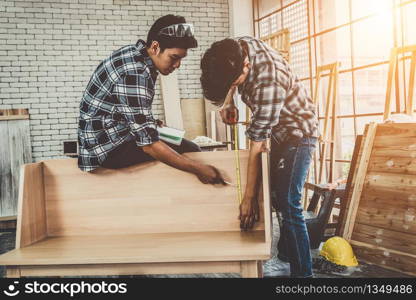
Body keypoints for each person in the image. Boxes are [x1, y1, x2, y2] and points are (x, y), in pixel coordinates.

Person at [200, 37, 318, 277]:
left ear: (246, 66)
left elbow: (257, 143)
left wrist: (249, 197)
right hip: (276, 130)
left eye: (235, 82)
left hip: (299, 133)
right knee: (274, 196)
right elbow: (229, 78)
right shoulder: (236, 47)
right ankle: (287, 253)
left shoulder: (269, 81)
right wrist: (229, 101)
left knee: (289, 202)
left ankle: (304, 275)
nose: (234, 84)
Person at [78, 14, 226, 186]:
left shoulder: (135, 55)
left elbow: (121, 106)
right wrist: (199, 169)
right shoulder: (136, 73)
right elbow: (148, 145)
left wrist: (149, 122)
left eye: (181, 59)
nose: (177, 65)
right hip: (106, 150)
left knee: (177, 144)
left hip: (104, 137)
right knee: (191, 151)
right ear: (155, 47)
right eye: (174, 57)